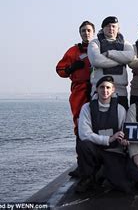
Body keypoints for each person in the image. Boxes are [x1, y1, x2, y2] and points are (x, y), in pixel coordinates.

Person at [75, 75, 132, 193]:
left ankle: (103, 172)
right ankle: (87, 178)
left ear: (113, 90)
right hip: (95, 149)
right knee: (83, 144)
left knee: (124, 188)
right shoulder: (87, 108)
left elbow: (124, 133)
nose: (105, 91)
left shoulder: (120, 109)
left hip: (114, 152)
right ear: (97, 89)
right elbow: (84, 134)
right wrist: (108, 139)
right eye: (101, 87)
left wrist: (123, 140)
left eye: (108, 87)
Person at [56, 20, 95, 178]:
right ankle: (82, 164)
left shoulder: (99, 48)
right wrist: (71, 68)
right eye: (83, 31)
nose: (86, 33)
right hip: (80, 91)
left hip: (99, 90)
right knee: (80, 126)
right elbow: (60, 69)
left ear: (93, 32)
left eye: (88, 30)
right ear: (80, 33)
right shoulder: (73, 51)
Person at [88, 16, 135, 109]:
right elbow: (97, 61)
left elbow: (130, 57)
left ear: (118, 28)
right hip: (99, 92)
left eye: (114, 26)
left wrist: (109, 53)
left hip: (121, 92)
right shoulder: (95, 43)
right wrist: (120, 60)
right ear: (103, 28)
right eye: (108, 26)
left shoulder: (126, 44)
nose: (111, 28)